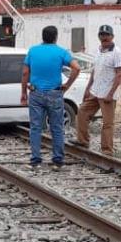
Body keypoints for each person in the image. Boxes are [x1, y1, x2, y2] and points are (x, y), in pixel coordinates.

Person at [21, 26, 80, 170]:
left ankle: (35, 160)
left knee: (35, 128)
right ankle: (58, 161)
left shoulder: (33, 51)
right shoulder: (61, 52)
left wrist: (23, 93)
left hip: (36, 93)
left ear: (42, 36)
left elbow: (25, 73)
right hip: (55, 93)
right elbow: (76, 68)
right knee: (57, 128)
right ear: (56, 37)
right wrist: (67, 85)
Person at [74, 24, 121, 155]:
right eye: (102, 35)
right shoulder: (98, 50)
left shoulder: (117, 52)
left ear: (112, 36)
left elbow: (119, 74)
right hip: (95, 91)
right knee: (82, 113)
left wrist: (111, 93)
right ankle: (83, 141)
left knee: (107, 123)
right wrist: (88, 88)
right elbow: (94, 71)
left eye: (107, 35)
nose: (104, 37)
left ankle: (107, 151)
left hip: (107, 94)